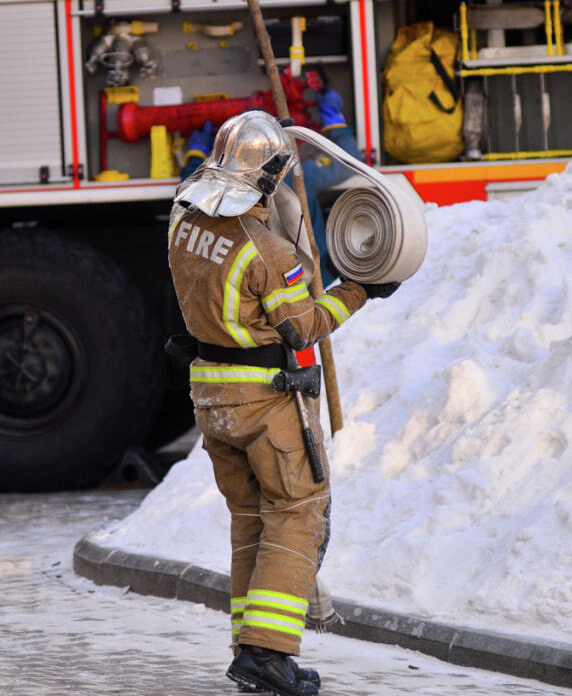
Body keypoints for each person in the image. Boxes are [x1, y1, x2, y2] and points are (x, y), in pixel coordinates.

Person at [167, 110, 399, 696]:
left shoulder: (185, 224)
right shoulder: (267, 251)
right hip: (266, 404)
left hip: (211, 398)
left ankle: (249, 647)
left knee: (250, 520)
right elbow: (304, 326)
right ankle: (268, 654)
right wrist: (360, 290)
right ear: (268, 178)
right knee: (295, 515)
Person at [182, 85, 364, 285]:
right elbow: (349, 162)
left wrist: (196, 153)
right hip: (319, 284)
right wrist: (334, 121)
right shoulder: (297, 176)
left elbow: (190, 192)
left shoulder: (225, 185)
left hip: (269, 293)